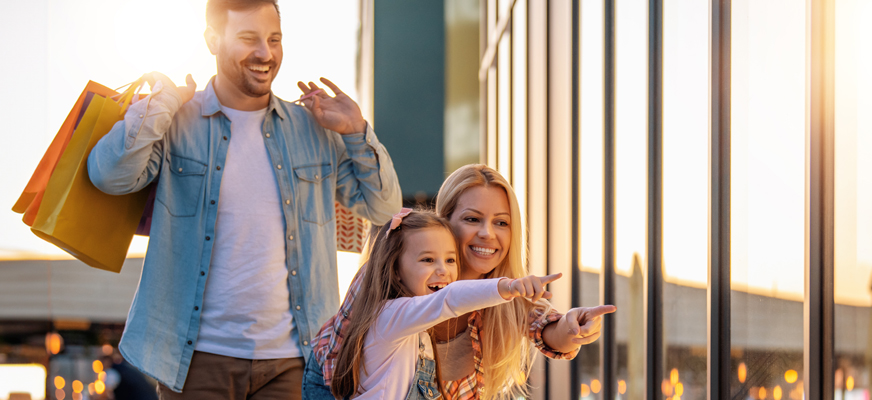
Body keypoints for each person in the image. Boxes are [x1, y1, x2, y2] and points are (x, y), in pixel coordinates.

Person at [87, 0, 402, 397]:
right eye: (249, 39)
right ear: (212, 40)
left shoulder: (313, 129)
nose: (265, 54)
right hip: (195, 361)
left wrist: (357, 131)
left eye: (274, 40)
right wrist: (162, 104)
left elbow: (385, 209)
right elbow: (109, 176)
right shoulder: (177, 121)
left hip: (296, 359)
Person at [304, 164, 615, 399]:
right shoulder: (391, 273)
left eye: (501, 223)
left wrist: (573, 329)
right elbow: (338, 360)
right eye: (472, 219)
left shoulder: (507, 298)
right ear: (445, 221)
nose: (487, 233)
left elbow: (547, 328)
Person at [329, 208, 562, 399]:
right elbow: (449, 299)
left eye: (450, 260)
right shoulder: (390, 316)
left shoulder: (419, 329)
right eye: (427, 260)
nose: (443, 270)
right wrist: (508, 287)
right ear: (396, 270)